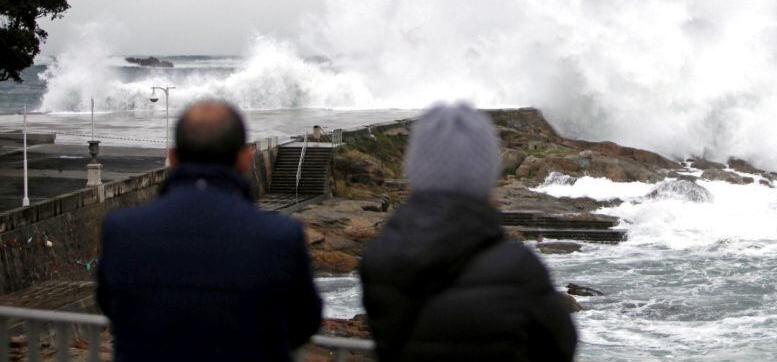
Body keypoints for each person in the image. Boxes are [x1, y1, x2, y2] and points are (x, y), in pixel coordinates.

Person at [97, 100, 322, 362]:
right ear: (245, 158)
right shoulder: (279, 235)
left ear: (173, 157)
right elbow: (304, 321)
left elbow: (113, 305)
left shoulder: (123, 230)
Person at [360, 102, 577, 362]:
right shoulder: (517, 267)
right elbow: (561, 346)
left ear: (415, 169)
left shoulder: (379, 257)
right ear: (486, 176)